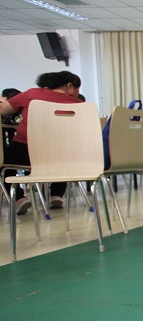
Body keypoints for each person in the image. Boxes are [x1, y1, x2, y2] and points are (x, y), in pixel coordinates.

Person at [0, 72, 83, 214]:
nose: (77, 93)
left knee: (3, 163)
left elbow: (3, 109)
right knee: (63, 152)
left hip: (25, 152)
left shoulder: (31, 94)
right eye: (77, 89)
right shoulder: (80, 105)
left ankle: (19, 198)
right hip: (60, 157)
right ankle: (56, 194)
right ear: (69, 86)